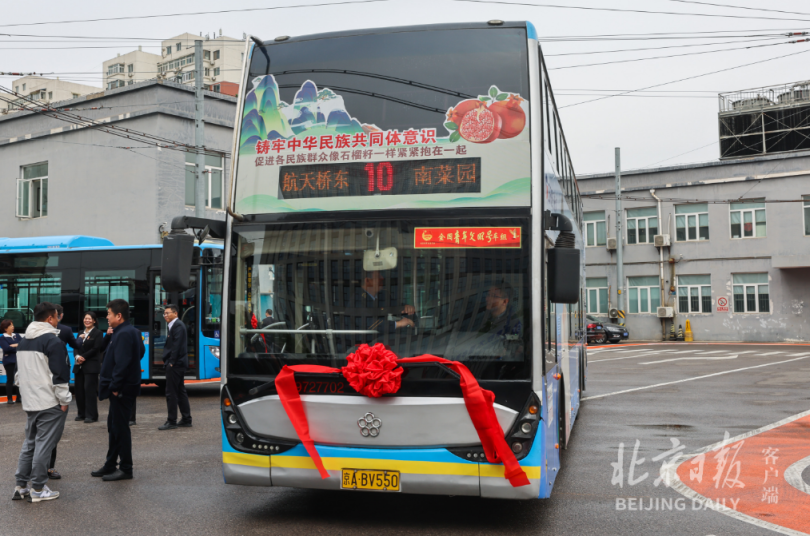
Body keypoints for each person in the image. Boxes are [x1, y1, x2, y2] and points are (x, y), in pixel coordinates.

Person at [12, 302, 71, 503]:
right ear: (49, 318)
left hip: (30, 402)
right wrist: (64, 400)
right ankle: (38, 488)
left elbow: (19, 376)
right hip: (49, 402)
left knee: (29, 443)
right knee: (44, 445)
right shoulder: (53, 342)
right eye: (56, 317)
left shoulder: (23, 341)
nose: (57, 320)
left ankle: (21, 485)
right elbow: (60, 375)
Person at [93, 299, 144, 482]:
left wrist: (114, 387)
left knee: (121, 429)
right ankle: (110, 464)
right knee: (114, 427)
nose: (107, 317)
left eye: (109, 314)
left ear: (119, 316)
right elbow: (139, 353)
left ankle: (126, 468)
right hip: (121, 388)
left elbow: (122, 363)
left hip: (121, 390)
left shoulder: (124, 333)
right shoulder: (126, 331)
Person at [47, 304, 81, 481]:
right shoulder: (66, 331)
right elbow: (75, 345)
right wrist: (65, 401)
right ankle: (49, 469)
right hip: (55, 388)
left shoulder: (29, 335)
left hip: (37, 392)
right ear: (57, 316)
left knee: (35, 435)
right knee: (52, 431)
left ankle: (29, 474)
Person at [158, 305, 192, 431]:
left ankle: (171, 421)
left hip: (176, 364)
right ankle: (186, 419)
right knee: (180, 391)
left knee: (171, 393)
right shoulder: (175, 325)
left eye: (167, 313)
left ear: (175, 313)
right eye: (164, 314)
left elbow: (176, 346)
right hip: (178, 363)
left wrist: (171, 362)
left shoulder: (177, 325)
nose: (165, 315)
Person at [73, 312, 105, 423]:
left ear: (94, 321)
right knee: (79, 391)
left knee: (89, 390)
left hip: (91, 366)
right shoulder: (80, 333)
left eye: (90, 319)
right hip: (79, 366)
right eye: (85, 318)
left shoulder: (98, 333)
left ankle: (91, 415)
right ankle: (81, 413)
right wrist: (77, 357)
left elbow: (96, 348)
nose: (87, 320)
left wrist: (83, 357)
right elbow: (75, 346)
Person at [1, 320, 22, 405]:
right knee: (10, 379)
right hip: (9, 361)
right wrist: (18, 345)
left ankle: (18, 398)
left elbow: (23, 344)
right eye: (11, 325)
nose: (13, 327)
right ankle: (9, 398)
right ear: (6, 328)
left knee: (19, 379)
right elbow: (7, 349)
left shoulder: (16, 335)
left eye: (13, 325)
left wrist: (15, 345)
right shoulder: (2, 338)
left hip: (19, 360)